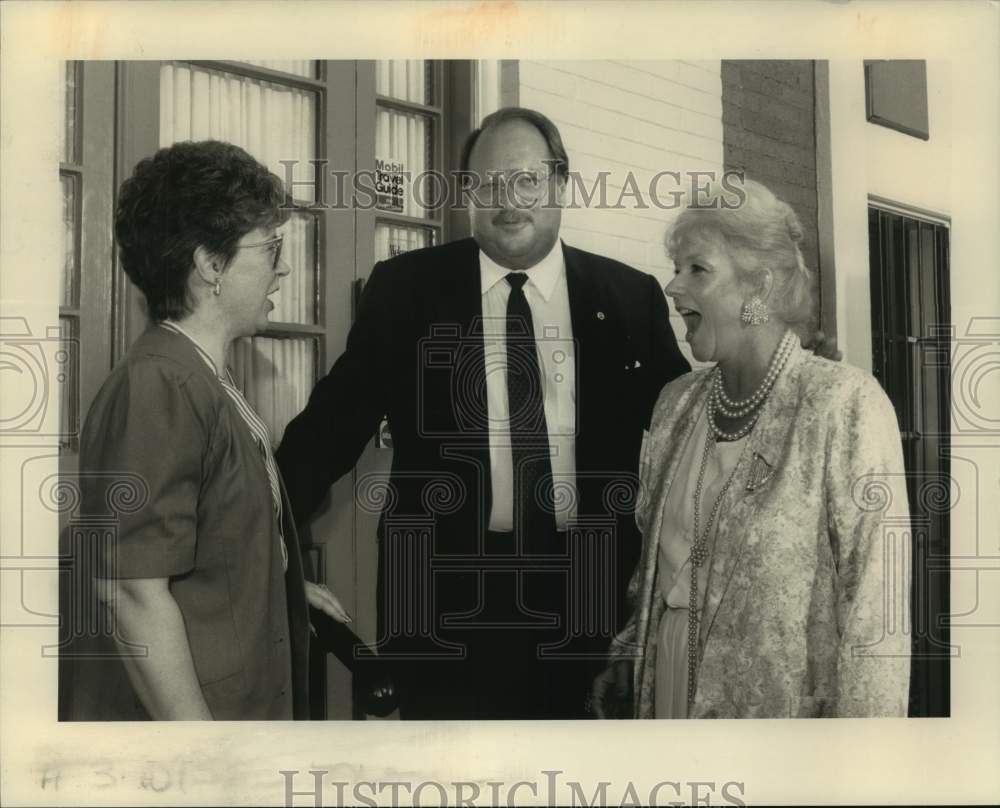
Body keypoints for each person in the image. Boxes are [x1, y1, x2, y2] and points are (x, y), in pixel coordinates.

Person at [276, 107, 690, 719]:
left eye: (525, 180)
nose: (507, 201)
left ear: (560, 184)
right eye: (487, 185)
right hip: (445, 610)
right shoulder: (406, 291)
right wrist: (261, 538)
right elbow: (329, 430)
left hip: (591, 601)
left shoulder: (628, 298)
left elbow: (684, 442)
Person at [592, 178, 911, 718]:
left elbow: (877, 614)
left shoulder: (844, 405)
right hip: (668, 684)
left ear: (758, 287)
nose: (672, 287)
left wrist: (867, 761)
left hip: (781, 713)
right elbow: (657, 564)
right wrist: (630, 652)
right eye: (676, 268)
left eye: (697, 269)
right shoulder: (675, 405)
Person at [60, 140, 350, 720]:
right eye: (270, 248)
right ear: (210, 266)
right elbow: (131, 592)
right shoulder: (161, 386)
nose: (284, 265)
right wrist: (205, 760)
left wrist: (274, 586)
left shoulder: (201, 376)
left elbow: (215, 537)